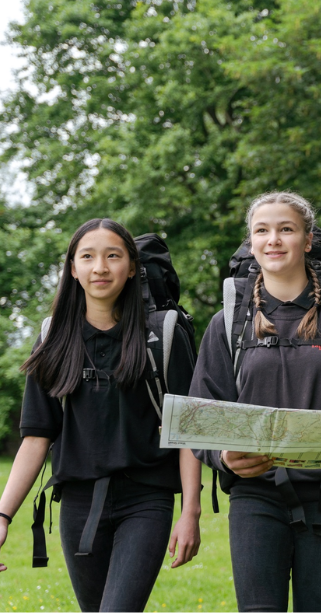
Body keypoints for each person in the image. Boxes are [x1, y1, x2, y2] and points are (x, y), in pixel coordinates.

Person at [189, 191, 321, 612]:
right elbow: (203, 414)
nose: (273, 239)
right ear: (251, 243)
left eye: (286, 229)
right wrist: (222, 457)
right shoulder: (228, 322)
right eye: (262, 231)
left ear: (307, 240)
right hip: (255, 497)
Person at [0, 219, 202, 612]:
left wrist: (190, 512)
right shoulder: (53, 338)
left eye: (113, 256)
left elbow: (188, 430)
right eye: (88, 256)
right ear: (72, 268)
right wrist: (3, 513)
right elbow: (36, 436)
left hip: (146, 501)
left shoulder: (162, 334)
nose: (100, 267)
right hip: (78, 504)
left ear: (131, 268)